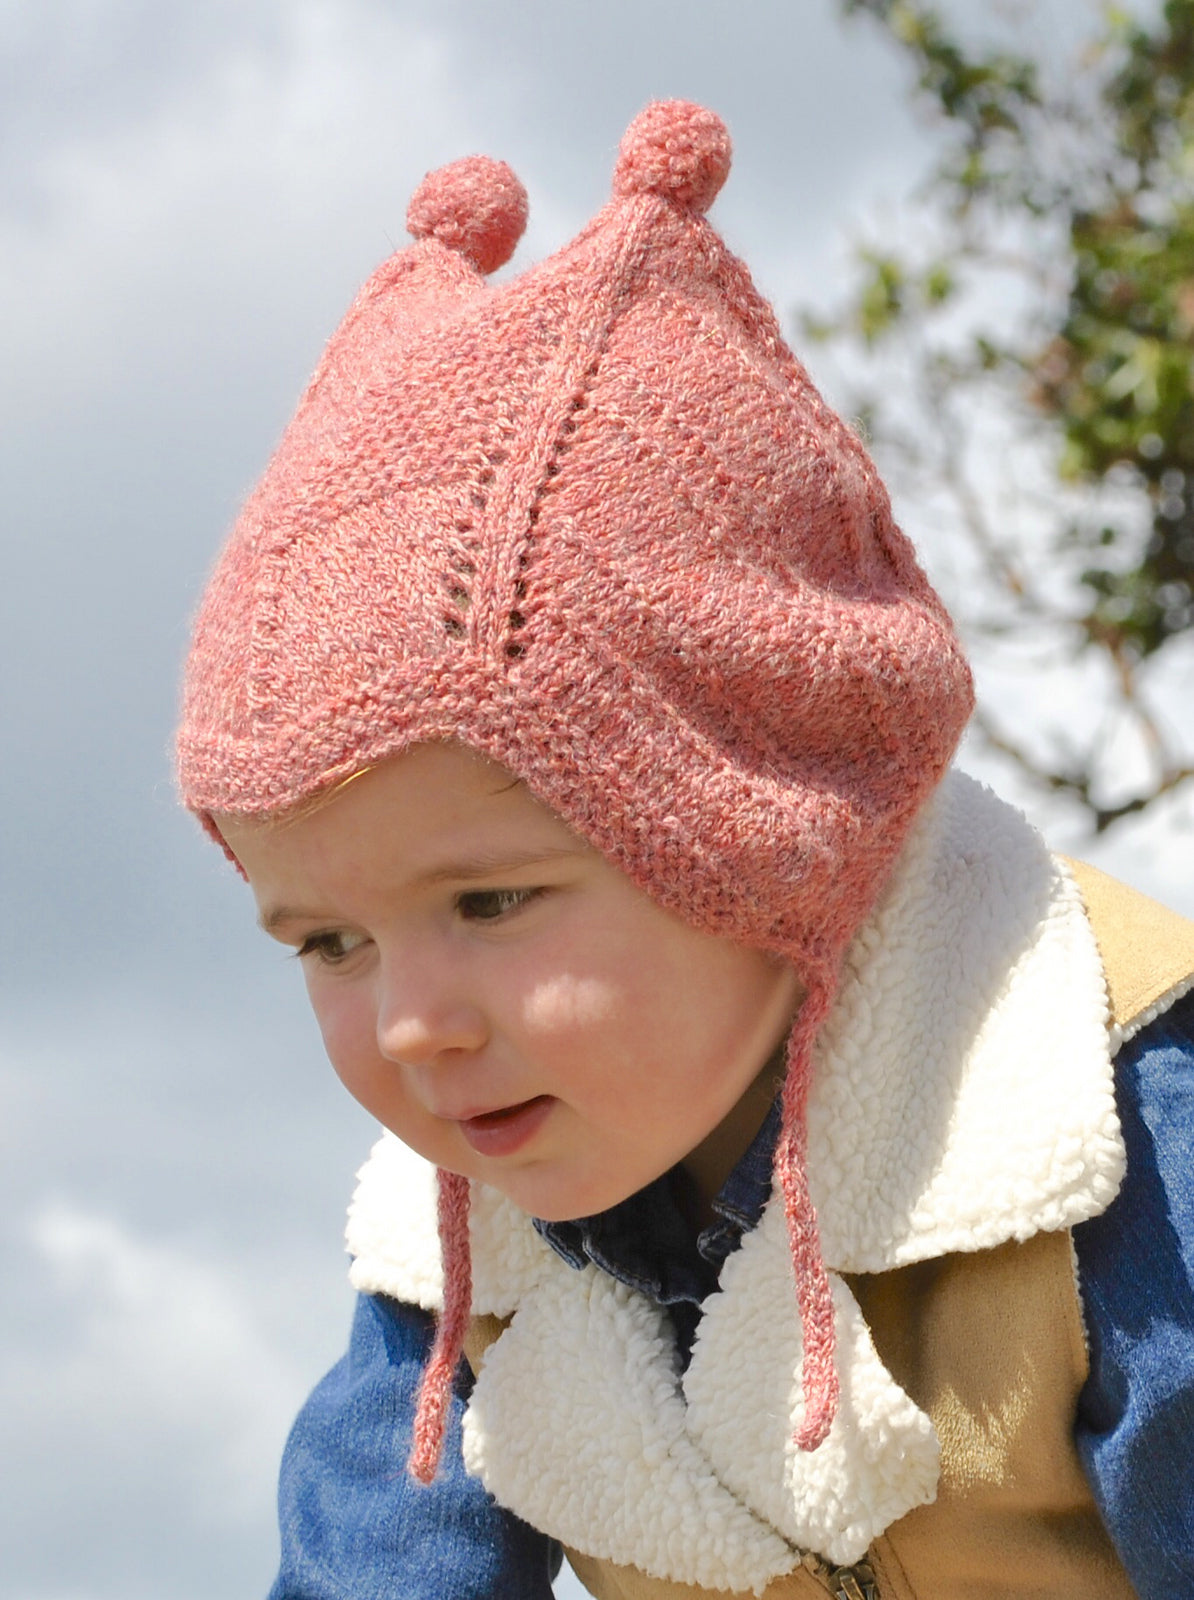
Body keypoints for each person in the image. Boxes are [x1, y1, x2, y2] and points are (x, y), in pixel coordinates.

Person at [176, 101, 1194, 1598]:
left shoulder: (1102, 1116)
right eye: (329, 941)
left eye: (489, 900)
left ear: (761, 830)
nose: (411, 1025)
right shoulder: (456, 1241)